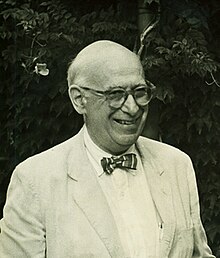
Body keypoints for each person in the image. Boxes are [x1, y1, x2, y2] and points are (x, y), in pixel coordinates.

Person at [0, 40, 215, 258]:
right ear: (79, 99)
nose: (132, 108)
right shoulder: (35, 180)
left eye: (139, 91)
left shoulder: (176, 164)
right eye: (116, 94)